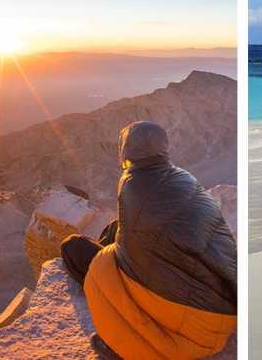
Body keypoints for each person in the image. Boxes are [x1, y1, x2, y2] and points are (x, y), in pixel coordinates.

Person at [60, 121, 237, 360]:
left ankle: (121, 340)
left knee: (74, 247)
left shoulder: (132, 183)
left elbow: (129, 257)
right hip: (224, 309)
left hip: (192, 328)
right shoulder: (183, 177)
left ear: (126, 149)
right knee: (115, 228)